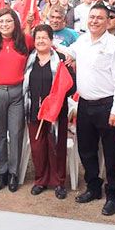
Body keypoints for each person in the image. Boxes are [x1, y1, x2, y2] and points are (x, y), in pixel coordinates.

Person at [65, 4, 115, 216]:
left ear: (108, 21)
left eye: (99, 18)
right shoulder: (82, 40)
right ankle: (93, 187)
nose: (94, 21)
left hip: (107, 105)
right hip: (84, 105)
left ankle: (113, 194)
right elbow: (68, 51)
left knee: (110, 153)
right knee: (86, 150)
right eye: (91, 17)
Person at [0, 8, 34, 193]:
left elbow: (43, 49)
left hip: (18, 93)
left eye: (9, 21)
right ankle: (1, 172)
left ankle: (14, 173)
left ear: (15, 23)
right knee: (0, 134)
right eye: (1, 21)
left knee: (16, 134)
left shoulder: (25, 40)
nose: (5, 25)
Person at [23, 24, 75, 200]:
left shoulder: (61, 59)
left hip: (56, 113)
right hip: (33, 111)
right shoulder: (29, 60)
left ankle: (59, 182)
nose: (41, 41)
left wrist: (56, 99)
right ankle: (41, 180)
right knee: (38, 148)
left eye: (45, 37)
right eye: (38, 38)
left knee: (56, 147)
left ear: (51, 40)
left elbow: (70, 85)